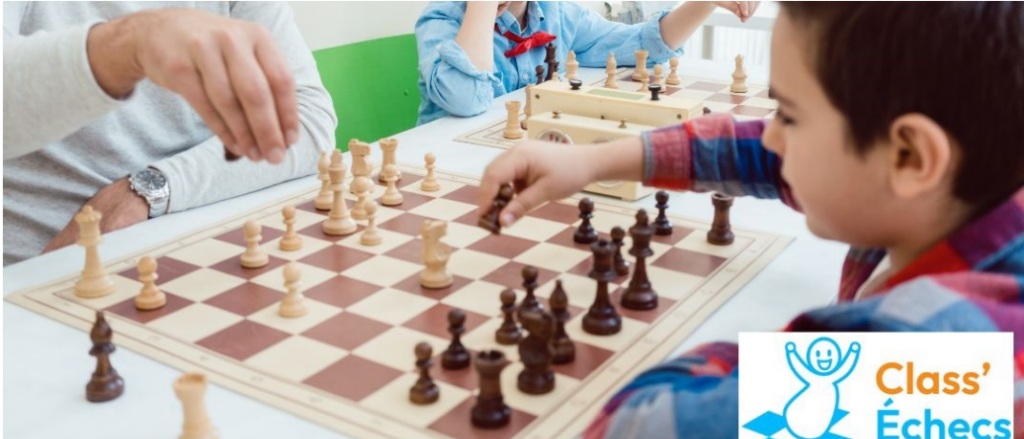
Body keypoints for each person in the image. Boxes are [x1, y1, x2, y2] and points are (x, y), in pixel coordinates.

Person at [476, 2, 1024, 439]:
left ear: (909, 156)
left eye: (790, 115)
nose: (772, 134)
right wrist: (592, 161)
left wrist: (792, 360)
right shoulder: (959, 192)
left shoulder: (968, 368)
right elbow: (772, 154)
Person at [3, 2, 337, 266]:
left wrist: (148, 189)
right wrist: (127, 45)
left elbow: (306, 121)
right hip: (43, 270)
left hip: (198, 249)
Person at [414, 1, 759, 125]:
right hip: (443, 166)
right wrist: (482, 5)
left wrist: (704, 3)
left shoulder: (558, 13)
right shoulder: (443, 19)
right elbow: (465, 100)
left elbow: (640, 45)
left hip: (519, 158)